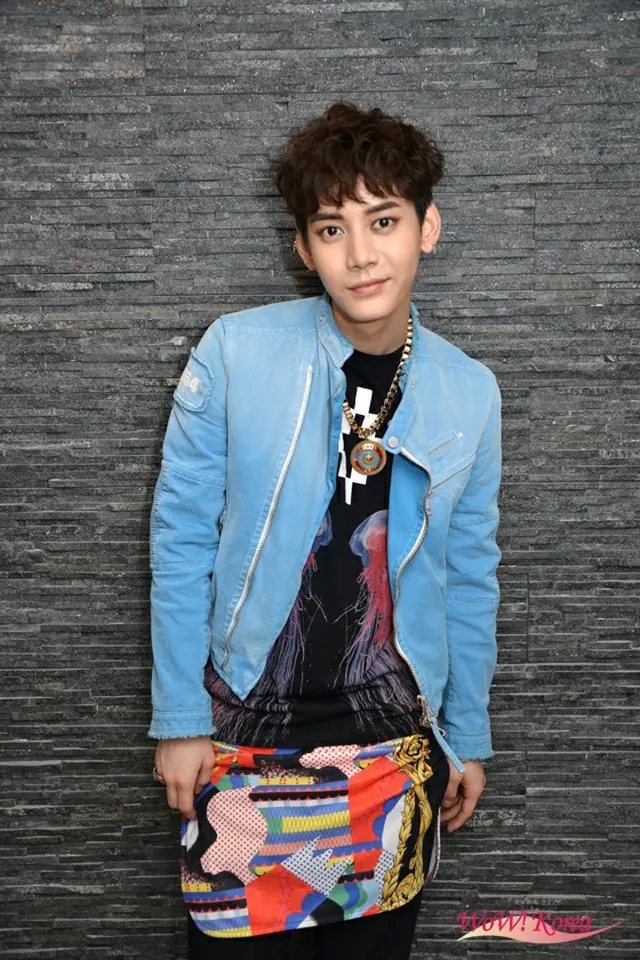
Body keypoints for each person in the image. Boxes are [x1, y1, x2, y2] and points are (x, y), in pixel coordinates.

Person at [148, 101, 502, 959]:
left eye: (384, 221)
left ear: (427, 228)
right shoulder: (235, 353)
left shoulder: (469, 391)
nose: (361, 254)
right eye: (332, 229)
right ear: (305, 250)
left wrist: (466, 735)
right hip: (242, 741)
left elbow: (468, 574)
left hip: (391, 754)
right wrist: (180, 718)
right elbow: (181, 539)